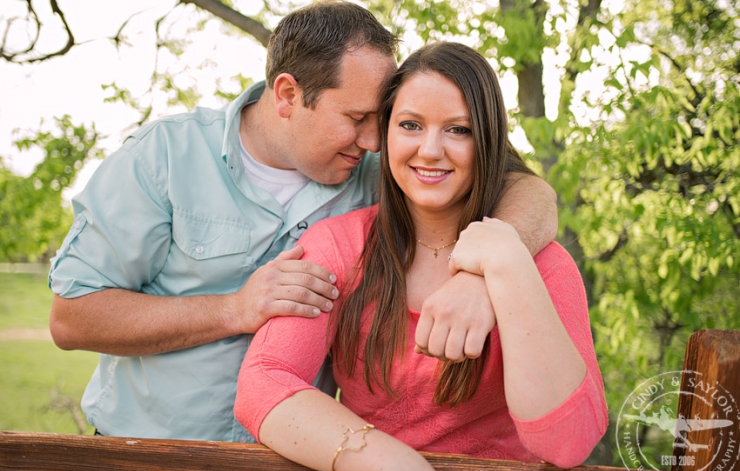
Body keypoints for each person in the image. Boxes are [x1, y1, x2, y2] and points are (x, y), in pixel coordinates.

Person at [47, 2, 557, 443]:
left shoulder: (380, 171)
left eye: (380, 119)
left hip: (291, 467)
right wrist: (234, 309)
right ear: (288, 95)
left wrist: (478, 274)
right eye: (356, 119)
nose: (375, 140)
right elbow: (72, 317)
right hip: (145, 458)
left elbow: (531, 191)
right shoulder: (164, 157)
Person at [234, 41, 607, 471]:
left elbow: (568, 444)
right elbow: (264, 382)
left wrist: (501, 264)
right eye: (410, 125)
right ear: (385, 134)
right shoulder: (339, 245)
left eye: (458, 130)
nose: (430, 150)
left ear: (487, 139)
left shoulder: (542, 264)